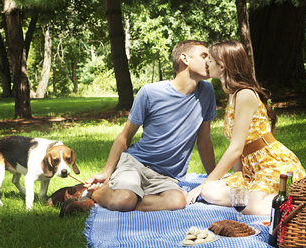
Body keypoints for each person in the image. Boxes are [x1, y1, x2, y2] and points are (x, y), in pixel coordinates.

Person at [84, 40, 217, 212]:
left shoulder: (207, 92)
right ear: (184, 58)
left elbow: (204, 142)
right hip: (135, 163)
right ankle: (92, 191)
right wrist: (105, 174)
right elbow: (125, 137)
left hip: (166, 176)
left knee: (178, 201)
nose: (209, 61)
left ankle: (128, 199)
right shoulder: (150, 92)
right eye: (204, 56)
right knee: (124, 200)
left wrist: (213, 179)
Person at [186, 40, 306, 215]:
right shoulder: (232, 94)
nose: (206, 63)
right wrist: (237, 178)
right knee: (209, 191)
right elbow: (239, 150)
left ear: (222, 67)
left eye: (210, 60)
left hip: (272, 164)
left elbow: (235, 149)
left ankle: (287, 203)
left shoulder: (245, 95)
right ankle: (265, 199)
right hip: (251, 170)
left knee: (248, 206)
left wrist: (205, 182)